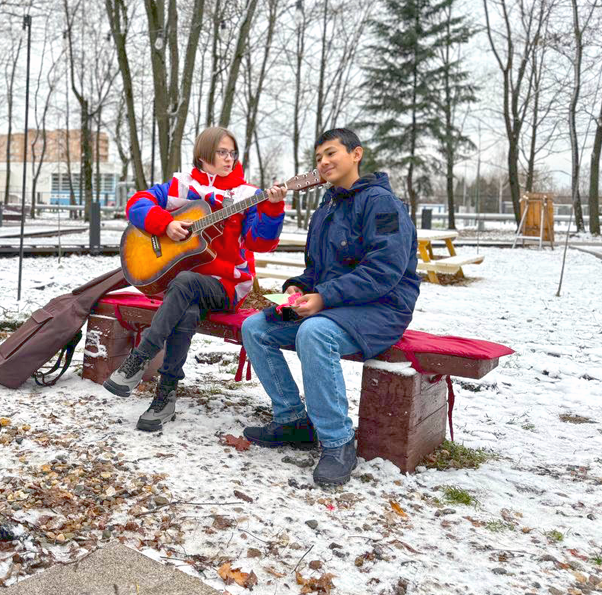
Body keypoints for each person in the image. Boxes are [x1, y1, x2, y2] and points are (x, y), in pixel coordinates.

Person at [240, 127, 420, 486]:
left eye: (331, 153)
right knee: (255, 327)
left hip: (382, 309)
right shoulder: (326, 208)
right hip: (336, 306)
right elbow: (317, 269)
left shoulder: (381, 204)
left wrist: (324, 298)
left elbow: (385, 271)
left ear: (356, 155)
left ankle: (338, 441)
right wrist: (298, 288)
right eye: (318, 157)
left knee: (315, 332)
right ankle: (293, 420)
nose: (323, 162)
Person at [104, 125, 287, 431]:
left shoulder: (247, 195)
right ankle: (165, 395)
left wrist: (273, 207)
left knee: (185, 284)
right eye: (222, 152)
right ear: (204, 156)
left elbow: (260, 243)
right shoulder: (181, 185)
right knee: (185, 304)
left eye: (233, 153)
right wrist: (164, 224)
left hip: (227, 285)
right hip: (182, 286)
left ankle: (140, 358)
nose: (229, 159)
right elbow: (136, 204)